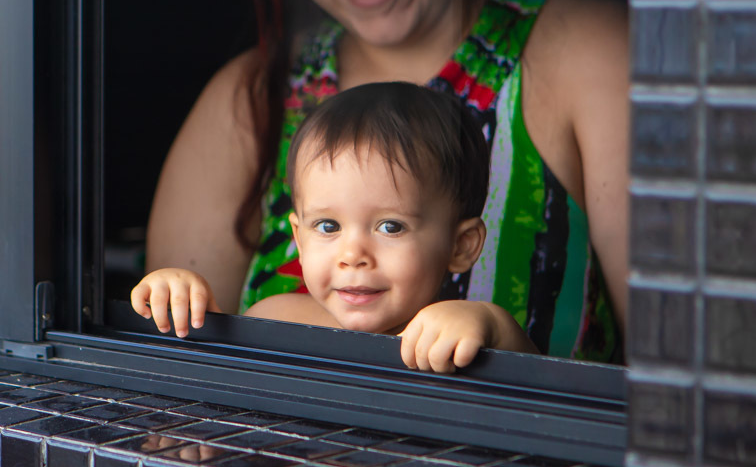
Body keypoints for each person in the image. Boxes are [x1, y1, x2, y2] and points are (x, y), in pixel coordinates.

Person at [146, 0, 628, 362]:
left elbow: (683, 366)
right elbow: (178, 356)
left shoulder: (591, 56)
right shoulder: (250, 94)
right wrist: (172, 292)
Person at [133, 83, 539, 373]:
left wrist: (489, 324)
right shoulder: (275, 320)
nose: (353, 255)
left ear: (462, 245)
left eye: (390, 227)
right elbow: (211, 381)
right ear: (298, 237)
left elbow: (541, 383)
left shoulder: (457, 336)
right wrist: (181, 301)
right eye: (328, 226)